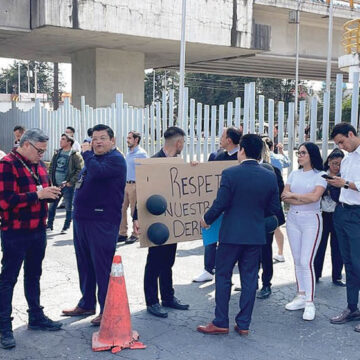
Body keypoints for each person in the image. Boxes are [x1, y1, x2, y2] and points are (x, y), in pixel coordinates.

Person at [197, 134, 280, 335]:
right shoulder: (270, 175)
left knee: (223, 276)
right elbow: (274, 208)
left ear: (241, 150)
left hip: (231, 235)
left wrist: (206, 219)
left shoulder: (230, 173)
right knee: (250, 279)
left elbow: (221, 203)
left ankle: (220, 321)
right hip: (255, 235)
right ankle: (244, 324)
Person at [0, 129, 63, 349]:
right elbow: (5, 201)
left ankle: (35, 316)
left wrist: (53, 193)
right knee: (8, 279)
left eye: (44, 151)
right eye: (39, 150)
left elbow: (41, 192)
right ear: (25, 144)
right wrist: (38, 195)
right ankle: (3, 327)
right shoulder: (7, 164)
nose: (42, 155)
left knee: (34, 274)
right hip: (15, 232)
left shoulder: (36, 164)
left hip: (37, 229)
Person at [62, 124, 126, 326]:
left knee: (101, 267)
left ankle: (107, 310)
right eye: (94, 139)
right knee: (85, 265)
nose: (97, 142)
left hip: (102, 221)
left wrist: (87, 154)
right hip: (83, 220)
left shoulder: (115, 159)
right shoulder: (94, 160)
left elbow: (98, 174)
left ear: (112, 140)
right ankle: (87, 303)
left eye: (102, 138)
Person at [144, 126, 190, 318]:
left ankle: (168, 297)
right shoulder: (153, 162)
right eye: (183, 143)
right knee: (154, 262)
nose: (183, 147)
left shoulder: (179, 163)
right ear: (178, 143)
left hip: (173, 222)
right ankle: (152, 301)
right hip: (155, 224)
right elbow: (142, 193)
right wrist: (138, 219)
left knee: (168, 261)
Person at [281, 142, 326, 321]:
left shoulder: (321, 175)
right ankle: (300, 295)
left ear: (311, 155)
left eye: (303, 153)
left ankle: (309, 301)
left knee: (306, 261)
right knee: (298, 259)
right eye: (298, 152)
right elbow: (284, 196)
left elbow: (315, 197)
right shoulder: (294, 173)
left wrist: (294, 196)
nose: (299, 156)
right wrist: (298, 198)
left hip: (311, 220)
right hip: (293, 218)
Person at [193, 127, 242, 283]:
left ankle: (227, 272)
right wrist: (196, 166)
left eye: (222, 136)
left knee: (230, 242)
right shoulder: (217, 156)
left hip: (233, 207)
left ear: (229, 140)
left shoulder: (240, 158)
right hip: (216, 205)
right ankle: (208, 269)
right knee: (210, 237)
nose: (219, 139)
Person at [327, 123, 360, 332]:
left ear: (351, 134)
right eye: (337, 144)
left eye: (342, 141)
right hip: (342, 212)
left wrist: (345, 183)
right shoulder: (347, 159)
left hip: (357, 214)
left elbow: (353, 184)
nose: (341, 146)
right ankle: (352, 307)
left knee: (358, 263)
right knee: (348, 262)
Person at [256, 138, 285, 300]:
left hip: (266, 218)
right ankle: (252, 281)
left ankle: (266, 284)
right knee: (249, 252)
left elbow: (278, 194)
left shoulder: (273, 170)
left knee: (266, 251)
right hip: (249, 219)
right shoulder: (242, 168)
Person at [314, 149, 345, 287]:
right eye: (334, 163)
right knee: (320, 245)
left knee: (338, 247)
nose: (336, 167)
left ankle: (337, 276)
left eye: (339, 164)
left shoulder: (343, 177)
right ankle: (315, 274)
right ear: (329, 161)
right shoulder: (321, 175)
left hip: (338, 214)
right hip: (323, 214)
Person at [47, 134, 84, 234]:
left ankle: (66, 226)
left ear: (69, 142)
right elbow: (51, 167)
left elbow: (79, 170)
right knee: (52, 206)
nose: (60, 141)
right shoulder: (57, 153)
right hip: (56, 185)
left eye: (63, 139)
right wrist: (51, 180)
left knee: (68, 207)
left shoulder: (75, 155)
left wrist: (70, 182)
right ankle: (49, 225)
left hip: (68, 186)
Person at [118, 131, 148, 244]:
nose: (127, 140)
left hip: (135, 185)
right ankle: (122, 233)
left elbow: (145, 172)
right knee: (121, 209)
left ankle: (136, 234)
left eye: (130, 138)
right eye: (127, 137)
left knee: (133, 211)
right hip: (125, 184)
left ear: (136, 140)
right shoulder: (129, 152)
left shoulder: (142, 154)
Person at [264, 137, 290, 263]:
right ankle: (280, 252)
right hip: (275, 198)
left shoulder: (263, 160)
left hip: (264, 200)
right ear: (272, 147)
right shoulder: (277, 158)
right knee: (277, 227)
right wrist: (282, 152)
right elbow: (288, 162)